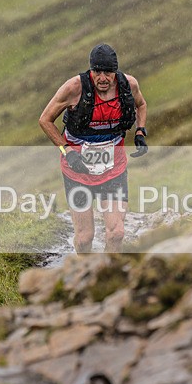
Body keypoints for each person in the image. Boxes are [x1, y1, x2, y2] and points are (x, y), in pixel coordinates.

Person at [39, 44, 148, 253]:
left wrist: (141, 132)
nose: (103, 78)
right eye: (97, 71)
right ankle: (84, 275)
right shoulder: (74, 88)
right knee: (84, 238)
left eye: (108, 72)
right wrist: (67, 152)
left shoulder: (128, 85)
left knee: (116, 233)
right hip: (77, 172)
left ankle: (106, 276)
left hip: (113, 170)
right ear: (91, 71)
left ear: (115, 72)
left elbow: (141, 104)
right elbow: (45, 120)